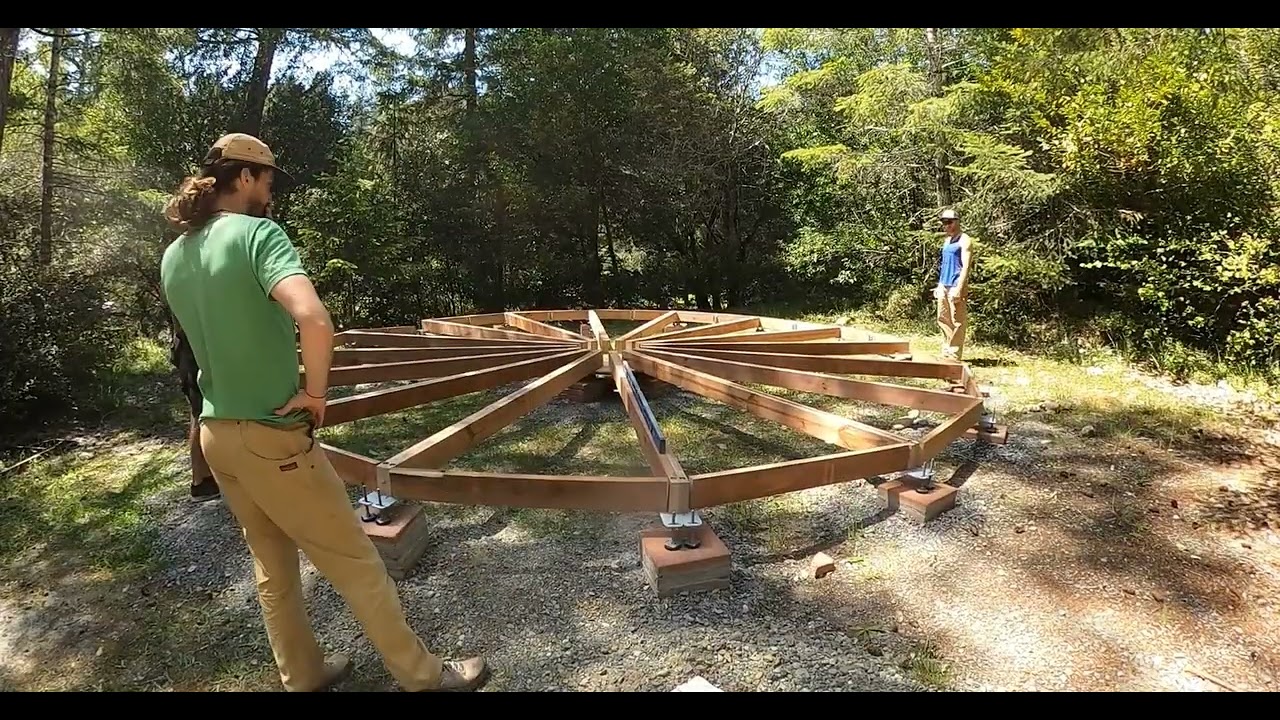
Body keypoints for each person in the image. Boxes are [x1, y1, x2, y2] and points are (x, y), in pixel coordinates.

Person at [159, 132, 488, 693]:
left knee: (273, 569)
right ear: (244, 178)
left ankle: (304, 674)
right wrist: (315, 395)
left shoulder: (175, 254)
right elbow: (313, 318)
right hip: (272, 437)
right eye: (267, 180)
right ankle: (425, 677)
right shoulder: (258, 235)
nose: (270, 192)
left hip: (217, 433)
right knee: (356, 561)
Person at [932, 208, 973, 359]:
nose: (946, 225)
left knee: (957, 320)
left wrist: (960, 287)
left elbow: (966, 266)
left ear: (957, 221)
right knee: (943, 318)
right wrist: (939, 285)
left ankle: (955, 353)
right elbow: (945, 264)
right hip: (944, 284)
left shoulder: (964, 240)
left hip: (956, 284)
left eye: (949, 222)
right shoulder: (947, 241)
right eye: (944, 222)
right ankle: (947, 349)